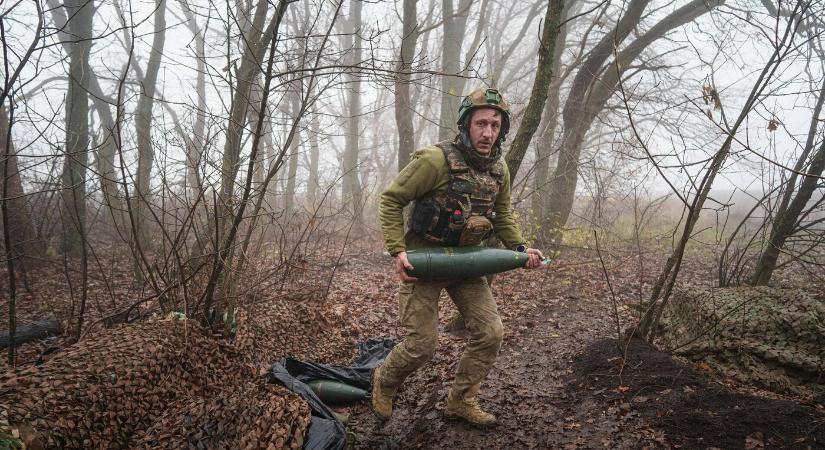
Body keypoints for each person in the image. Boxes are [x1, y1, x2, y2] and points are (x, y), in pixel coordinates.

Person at [374, 88, 544, 426]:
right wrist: (398, 251)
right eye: (481, 124)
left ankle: (461, 401)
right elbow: (392, 200)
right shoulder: (435, 160)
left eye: (495, 125)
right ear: (466, 125)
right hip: (424, 261)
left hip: (467, 262)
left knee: (491, 332)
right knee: (422, 345)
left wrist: (521, 249)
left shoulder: (499, 169)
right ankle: (384, 380)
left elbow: (504, 212)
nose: (488, 132)